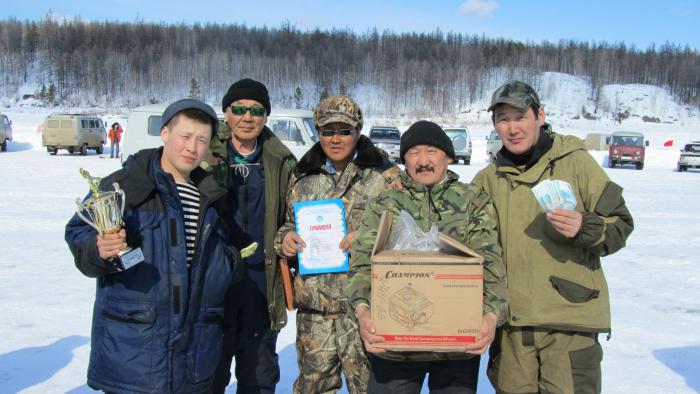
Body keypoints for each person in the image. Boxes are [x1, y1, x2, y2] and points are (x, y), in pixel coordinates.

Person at [65, 99, 242, 393]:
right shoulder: (127, 184)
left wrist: (228, 266)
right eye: (185, 136)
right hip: (134, 352)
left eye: (201, 140)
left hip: (193, 353)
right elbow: (78, 232)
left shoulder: (211, 195)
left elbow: (221, 253)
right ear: (165, 134)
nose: (192, 147)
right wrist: (99, 249)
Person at [472, 81, 634, 394]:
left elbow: (620, 225)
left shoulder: (577, 163)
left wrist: (584, 227)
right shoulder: (488, 180)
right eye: (503, 119)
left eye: (520, 116)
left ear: (540, 115)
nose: (512, 128)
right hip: (513, 327)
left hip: (569, 322)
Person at [346, 120, 507, 394]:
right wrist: (362, 312)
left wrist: (491, 317)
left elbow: (490, 262)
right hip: (395, 350)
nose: (423, 161)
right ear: (404, 159)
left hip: (457, 348)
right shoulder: (386, 203)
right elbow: (361, 263)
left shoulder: (472, 201)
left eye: (431, 152)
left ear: (449, 156)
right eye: (414, 153)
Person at [275, 96, 400, 394]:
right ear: (318, 132)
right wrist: (285, 239)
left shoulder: (385, 175)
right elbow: (286, 224)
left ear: (358, 131)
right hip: (315, 312)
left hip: (366, 311)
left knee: (370, 388)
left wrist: (369, 236)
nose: (335, 138)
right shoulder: (302, 175)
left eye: (344, 131)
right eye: (327, 131)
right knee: (312, 388)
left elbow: (407, 230)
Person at [208, 78, 297, 393]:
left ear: (266, 116)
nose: (248, 117)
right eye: (240, 109)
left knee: (258, 379)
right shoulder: (204, 155)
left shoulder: (281, 161)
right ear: (226, 113)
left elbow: (295, 214)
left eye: (256, 110)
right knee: (208, 377)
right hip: (214, 288)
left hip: (261, 286)